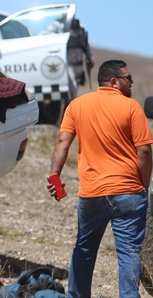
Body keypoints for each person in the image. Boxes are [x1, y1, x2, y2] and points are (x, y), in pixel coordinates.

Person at [48, 60, 153, 298]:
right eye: (128, 78)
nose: (132, 83)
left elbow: (63, 143)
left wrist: (55, 176)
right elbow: (144, 152)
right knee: (129, 253)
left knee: (84, 249)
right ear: (114, 81)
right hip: (128, 193)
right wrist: (143, 184)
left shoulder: (77, 105)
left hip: (92, 193)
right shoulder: (132, 107)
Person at [67, 19, 94, 87]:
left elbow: (86, 46)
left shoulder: (81, 30)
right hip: (69, 65)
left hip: (79, 65)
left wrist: (90, 57)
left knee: (77, 84)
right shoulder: (64, 27)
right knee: (72, 85)